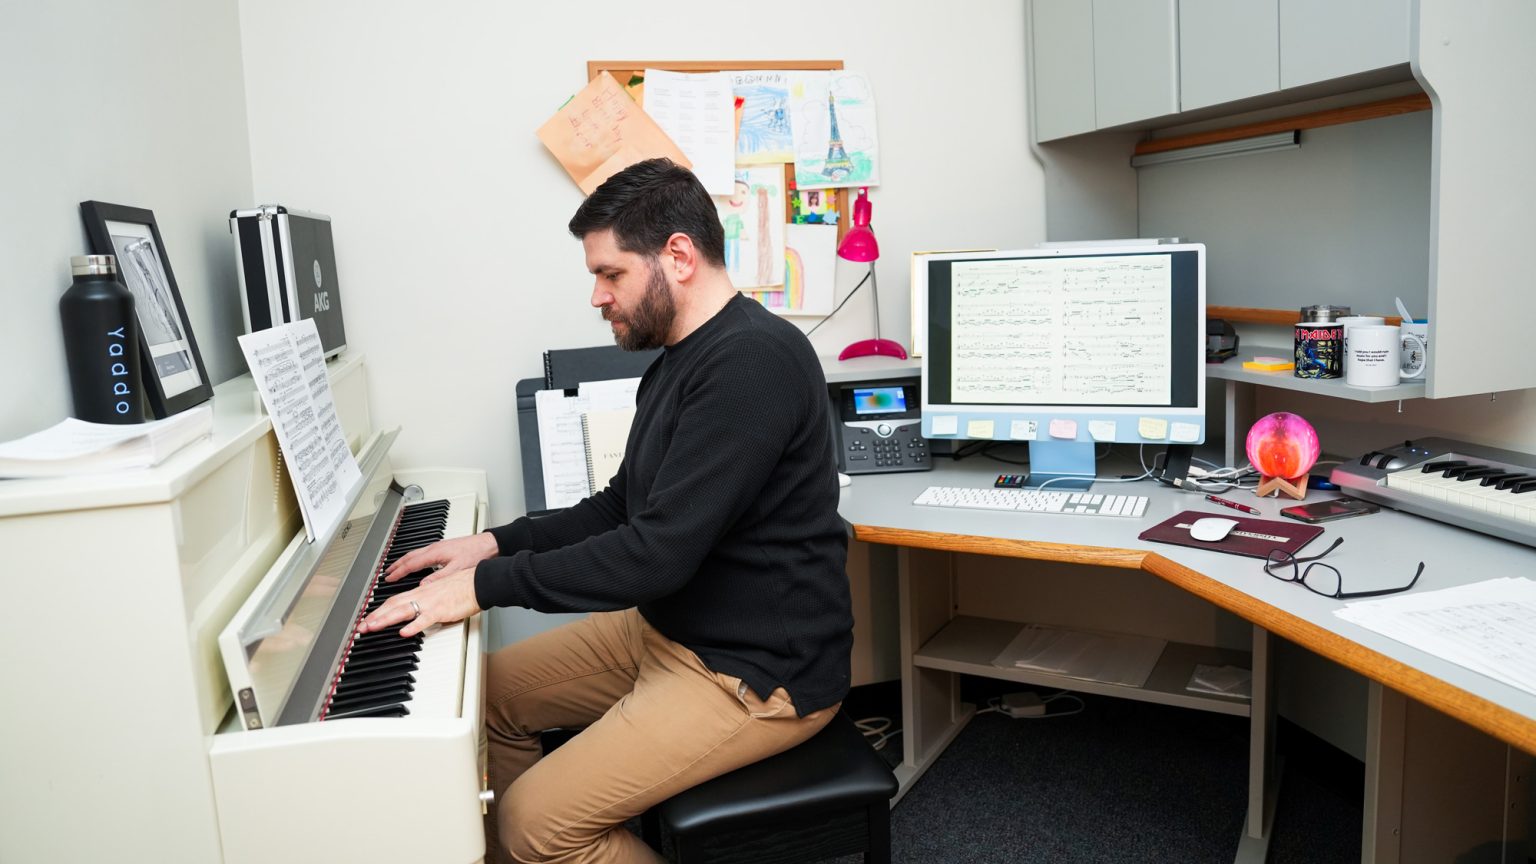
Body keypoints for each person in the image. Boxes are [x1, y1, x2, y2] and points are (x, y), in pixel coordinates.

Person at [360, 158, 853, 864]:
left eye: (611, 273)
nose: (596, 295)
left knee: (533, 823)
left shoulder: (754, 362)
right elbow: (621, 506)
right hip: (668, 631)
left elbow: (654, 554)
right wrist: (493, 546)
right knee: (484, 698)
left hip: (751, 673)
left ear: (678, 256)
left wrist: (481, 589)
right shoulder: (677, 361)